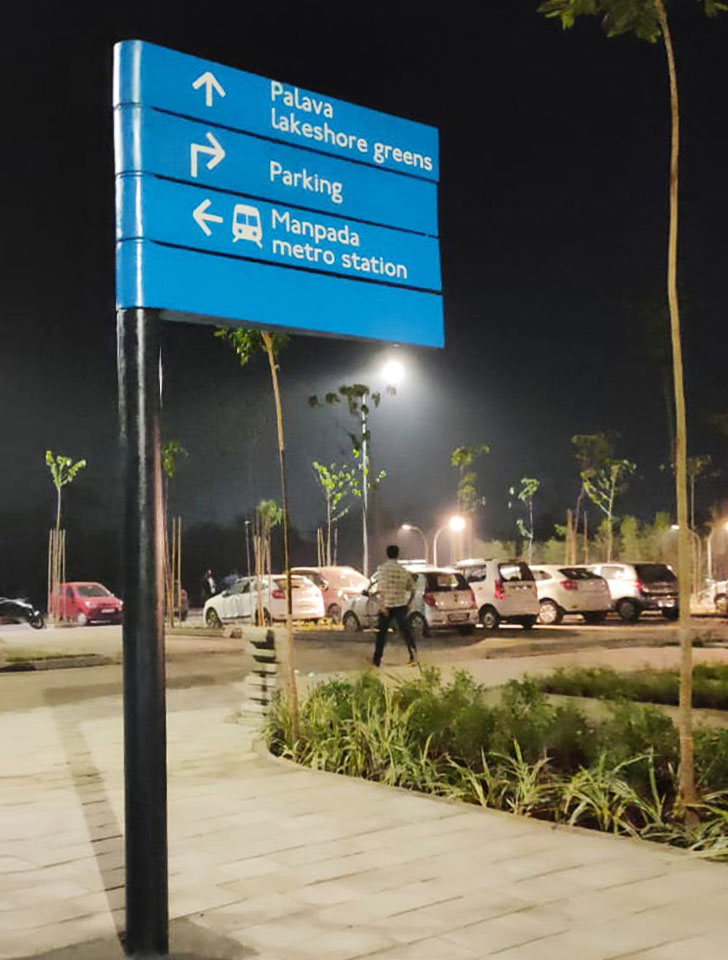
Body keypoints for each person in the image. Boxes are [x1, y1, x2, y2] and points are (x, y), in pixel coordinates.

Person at [372, 544, 417, 667]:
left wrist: (382, 606)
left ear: (387, 554)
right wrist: (408, 603)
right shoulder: (403, 570)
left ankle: (376, 660)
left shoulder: (382, 569)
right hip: (401, 605)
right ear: (398, 554)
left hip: (387, 605)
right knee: (406, 632)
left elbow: (382, 589)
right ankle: (414, 655)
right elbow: (413, 589)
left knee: (382, 634)